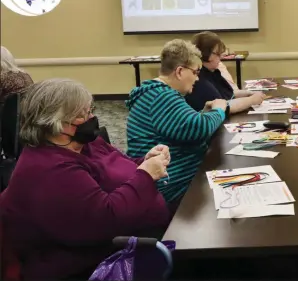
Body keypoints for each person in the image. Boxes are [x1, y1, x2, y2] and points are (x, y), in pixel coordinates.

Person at [0, 78, 170, 280]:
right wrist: (146, 174)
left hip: (135, 240)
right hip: (93, 266)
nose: (92, 118)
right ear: (55, 123)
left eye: (90, 110)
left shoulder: (85, 143)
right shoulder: (50, 169)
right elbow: (107, 219)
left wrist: (144, 161)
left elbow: (122, 165)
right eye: (83, 114)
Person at [125, 39, 227, 209]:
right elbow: (198, 129)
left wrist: (203, 113)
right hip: (172, 189)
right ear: (180, 71)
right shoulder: (161, 97)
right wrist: (219, 110)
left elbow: (183, 127)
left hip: (175, 180)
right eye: (195, 72)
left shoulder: (158, 93)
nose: (197, 78)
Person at [185, 31, 265, 112]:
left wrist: (249, 93)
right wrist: (251, 100)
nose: (220, 57)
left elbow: (228, 94)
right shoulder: (199, 79)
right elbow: (225, 107)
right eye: (218, 54)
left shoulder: (212, 72)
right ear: (206, 54)